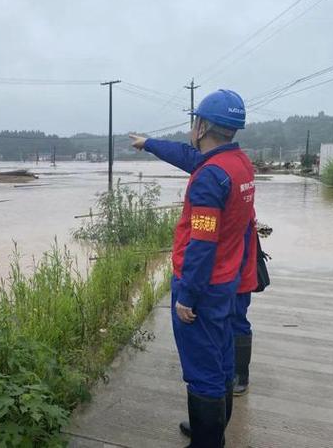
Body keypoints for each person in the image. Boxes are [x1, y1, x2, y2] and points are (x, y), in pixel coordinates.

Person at [130, 89, 257, 448]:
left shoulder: (208, 179)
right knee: (221, 360)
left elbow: (202, 243)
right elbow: (188, 156)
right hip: (227, 281)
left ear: (201, 126)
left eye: (193, 121)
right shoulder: (238, 165)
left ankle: (207, 440)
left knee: (202, 371)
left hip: (202, 287)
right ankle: (212, 430)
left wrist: (187, 296)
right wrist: (150, 143)